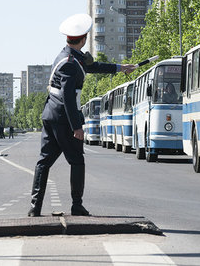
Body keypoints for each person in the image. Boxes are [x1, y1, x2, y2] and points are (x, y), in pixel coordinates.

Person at [28, 13, 136, 217]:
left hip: (51, 114)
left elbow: (93, 66)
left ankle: (35, 208)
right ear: (84, 37)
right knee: (77, 160)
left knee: (44, 161)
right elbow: (68, 96)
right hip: (63, 117)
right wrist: (76, 126)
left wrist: (121, 68)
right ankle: (76, 205)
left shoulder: (68, 55)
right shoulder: (70, 62)